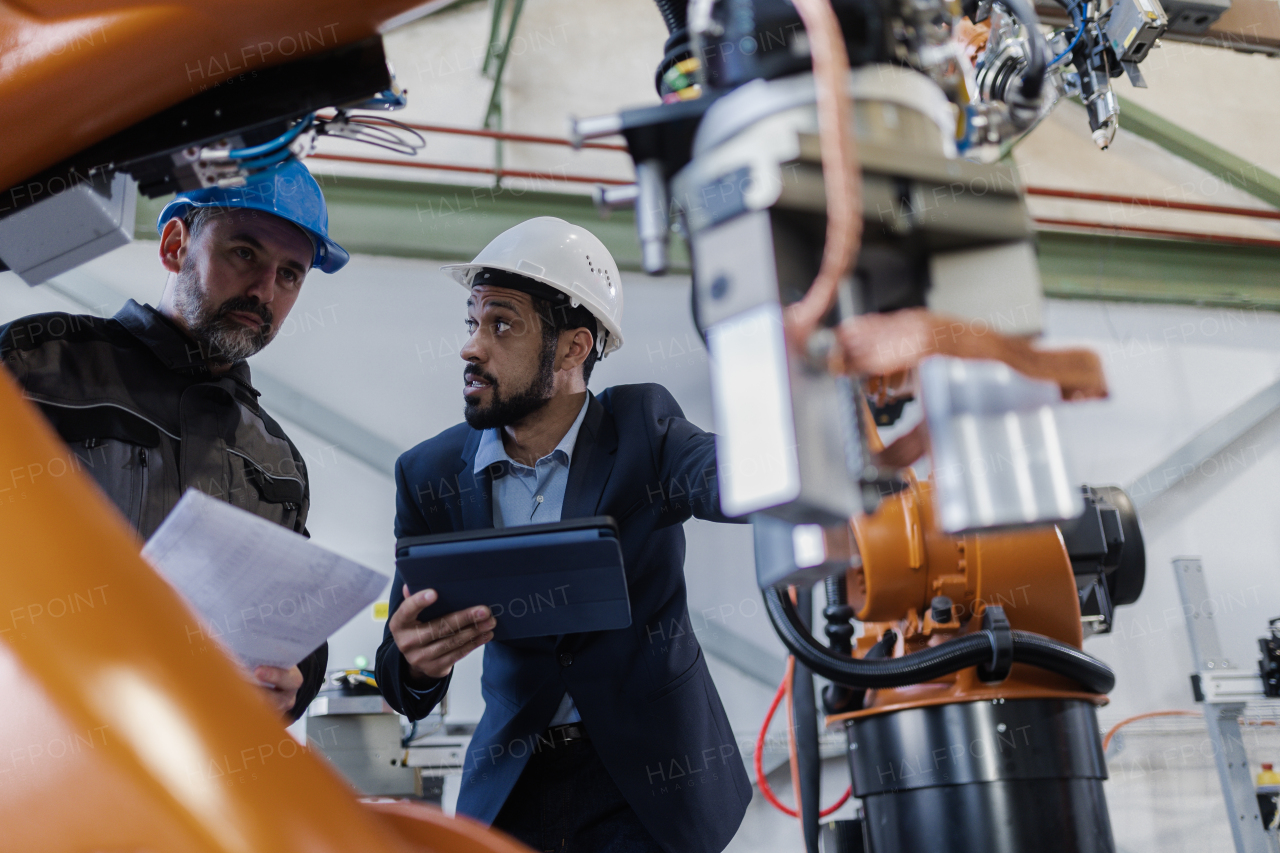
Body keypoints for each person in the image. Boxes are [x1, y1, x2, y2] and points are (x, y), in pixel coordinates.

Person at [376, 217, 751, 853]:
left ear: (575, 348)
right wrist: (414, 663)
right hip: (516, 789)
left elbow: (734, 477)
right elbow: (400, 668)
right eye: (472, 322)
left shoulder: (645, 431)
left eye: (502, 324)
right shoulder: (431, 475)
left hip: (650, 788)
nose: (472, 347)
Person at [0, 158, 348, 723]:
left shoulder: (276, 460)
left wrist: (295, 683)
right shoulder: (38, 364)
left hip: (189, 769)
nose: (264, 290)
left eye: (290, 275)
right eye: (244, 253)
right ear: (173, 245)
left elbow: (292, 623)